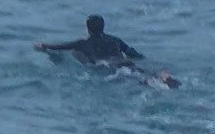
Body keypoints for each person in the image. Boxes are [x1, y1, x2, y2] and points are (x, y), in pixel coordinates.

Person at [35, 15, 177, 88]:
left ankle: (151, 82)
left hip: (108, 66)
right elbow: (134, 54)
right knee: (140, 72)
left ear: (88, 28)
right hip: (125, 62)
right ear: (103, 27)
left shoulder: (83, 44)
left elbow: (60, 47)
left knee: (131, 80)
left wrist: (43, 46)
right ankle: (162, 77)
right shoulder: (114, 40)